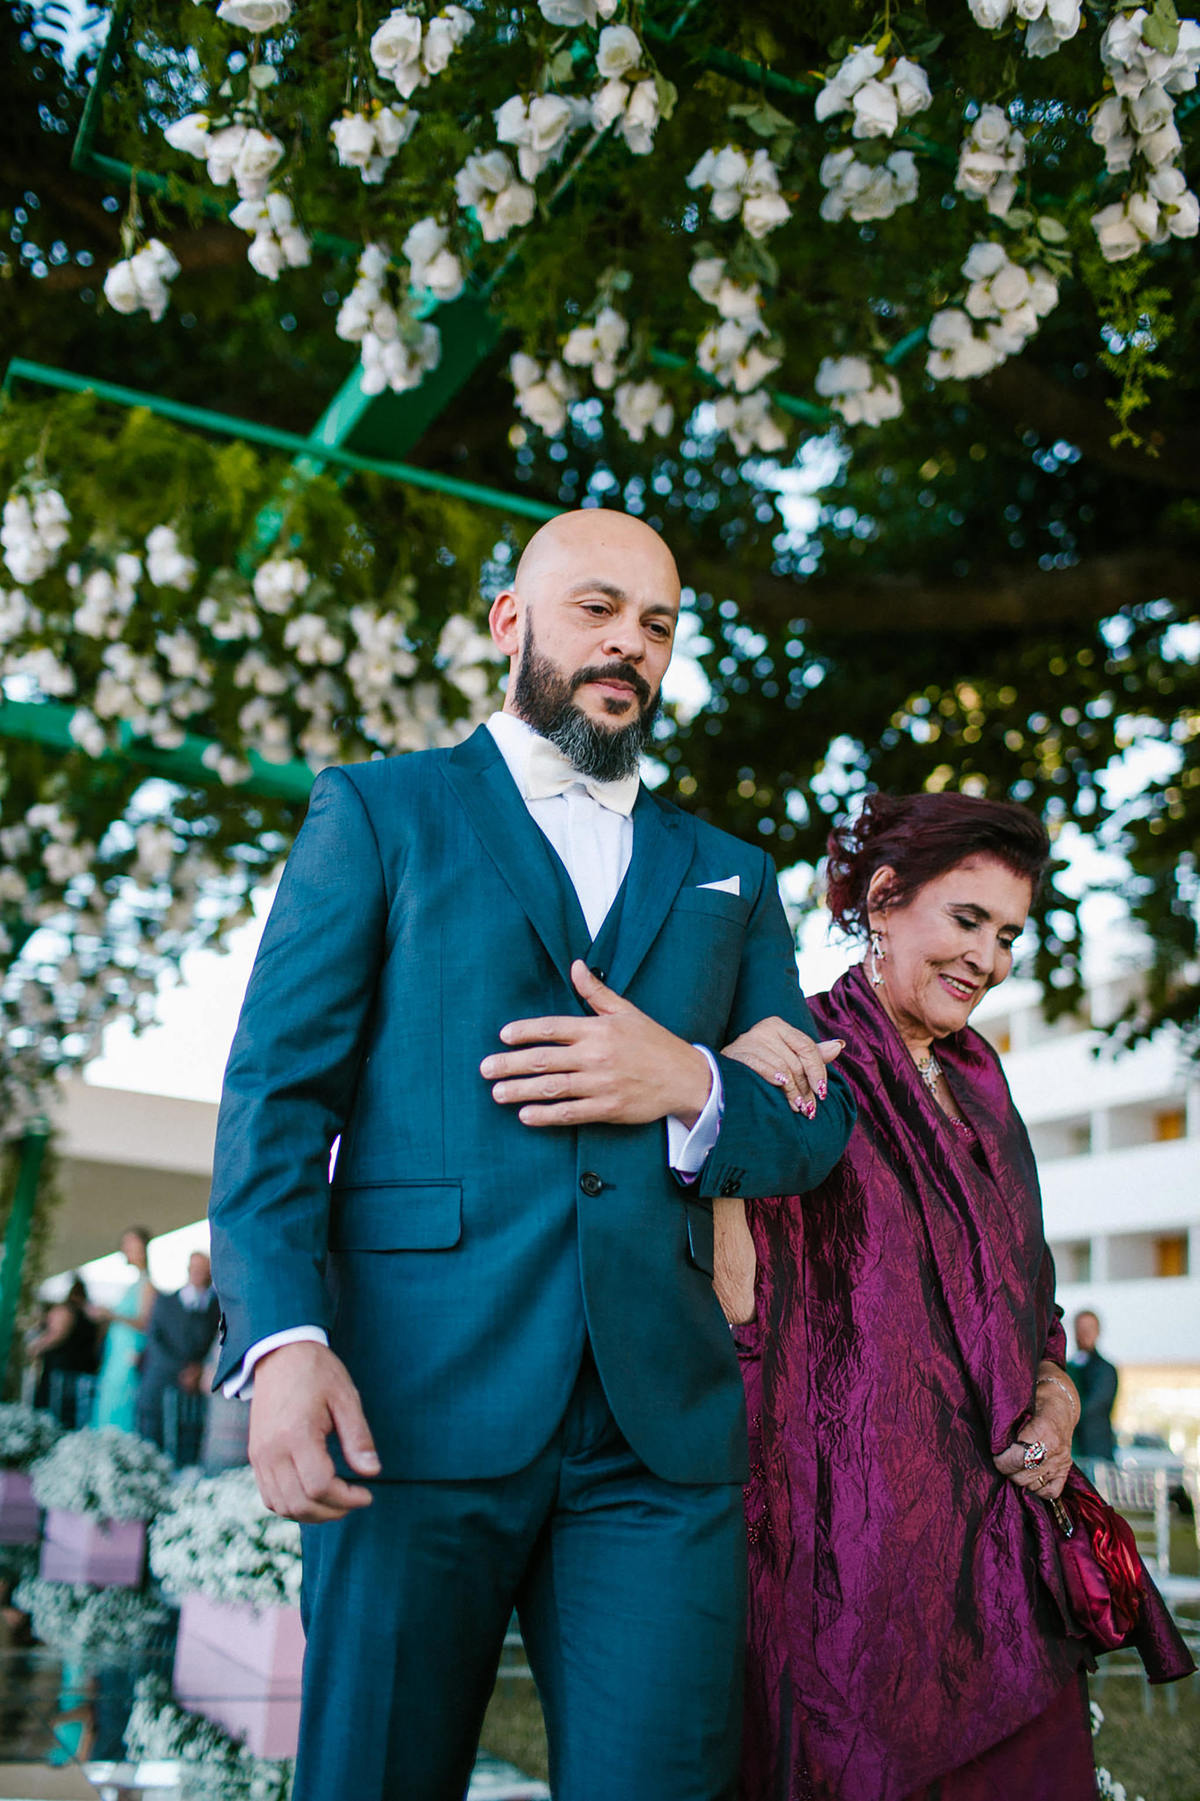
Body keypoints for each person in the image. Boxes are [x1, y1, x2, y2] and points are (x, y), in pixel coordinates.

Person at [208, 508, 855, 1801]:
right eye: (598, 609)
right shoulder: (379, 814)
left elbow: (809, 1124)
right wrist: (282, 1344)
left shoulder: (732, 873)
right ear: (513, 623)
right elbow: (276, 1101)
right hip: (410, 1407)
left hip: (655, 1439)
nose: (630, 644)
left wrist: (684, 1078)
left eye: (658, 626)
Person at [717, 792, 1188, 1801]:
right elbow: (737, 1313)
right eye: (967, 920)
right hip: (852, 1568)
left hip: (1009, 1560)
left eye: (1010, 934)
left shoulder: (983, 1078)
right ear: (883, 901)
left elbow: (1038, 1310)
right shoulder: (797, 1056)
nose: (990, 958)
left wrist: (1058, 1407)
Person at [136, 1251, 220, 1460]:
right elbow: (154, 1341)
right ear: (188, 1270)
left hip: (195, 1388)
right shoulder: (164, 1301)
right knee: (152, 1438)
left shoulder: (218, 1307)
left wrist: (199, 1369)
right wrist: (182, 1370)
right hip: (160, 1382)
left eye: (205, 1270)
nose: (200, 1274)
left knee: (189, 1439)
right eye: (196, 1269)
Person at [90, 1227, 155, 1433]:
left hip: (128, 1357)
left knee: (119, 1405)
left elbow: (145, 1324)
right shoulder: (134, 1284)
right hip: (115, 1355)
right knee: (108, 1402)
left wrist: (110, 1314)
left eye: (130, 1244)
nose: (125, 1249)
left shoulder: (147, 1285)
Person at [29, 1276, 100, 1428]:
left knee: (57, 1413)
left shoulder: (66, 1310)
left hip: (61, 1369)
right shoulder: (92, 1314)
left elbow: (57, 1335)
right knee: (74, 1414)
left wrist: (37, 1347)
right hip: (83, 1369)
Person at [1068, 1308, 1118, 1477]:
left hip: (1095, 1451)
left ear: (1097, 1332)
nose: (1084, 1334)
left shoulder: (1105, 1369)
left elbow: (1096, 1405)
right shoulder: (1069, 1367)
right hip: (1073, 1451)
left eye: (1089, 1328)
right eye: (1080, 1328)